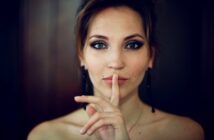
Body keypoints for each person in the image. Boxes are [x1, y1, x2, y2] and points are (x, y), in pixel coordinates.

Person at [27, 0, 204, 139]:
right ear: (82, 56)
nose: (116, 62)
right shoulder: (46, 136)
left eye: (133, 44)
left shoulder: (185, 134)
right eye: (99, 44)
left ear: (150, 56)